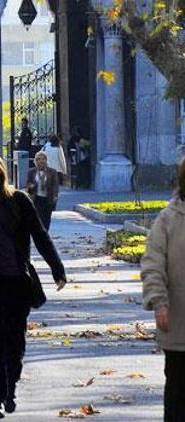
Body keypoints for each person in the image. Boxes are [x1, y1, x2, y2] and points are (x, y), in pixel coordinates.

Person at [0, 152, 66, 419]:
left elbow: (40, 235)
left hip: (18, 282)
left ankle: (10, 387)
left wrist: (57, 268)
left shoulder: (19, 201)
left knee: (15, 341)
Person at [141, 159, 185, 422]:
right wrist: (159, 302)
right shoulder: (168, 219)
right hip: (179, 326)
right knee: (179, 394)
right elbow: (153, 265)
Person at [26, 151, 60, 230]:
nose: (41, 161)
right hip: (36, 198)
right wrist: (30, 187)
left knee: (46, 219)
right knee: (37, 219)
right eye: (38, 159)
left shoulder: (52, 172)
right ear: (35, 161)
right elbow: (28, 184)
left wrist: (55, 195)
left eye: (43, 159)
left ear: (46, 160)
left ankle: (45, 234)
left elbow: (55, 185)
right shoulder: (31, 171)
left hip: (48, 199)